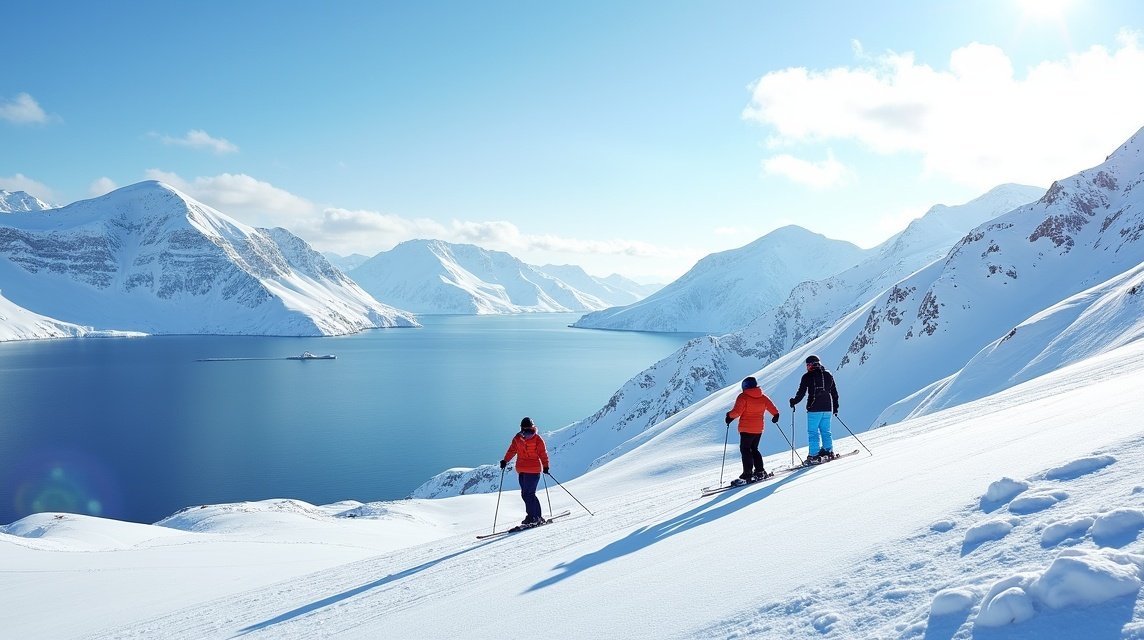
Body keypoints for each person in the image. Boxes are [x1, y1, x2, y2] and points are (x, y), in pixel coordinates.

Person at [725, 376, 780, 485]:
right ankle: (760, 471)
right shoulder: (763, 397)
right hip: (758, 429)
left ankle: (747, 474)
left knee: (745, 450)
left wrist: (729, 416)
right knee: (754, 449)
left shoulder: (743, 397)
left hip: (746, 429)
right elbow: (773, 409)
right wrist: (775, 415)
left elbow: (737, 412)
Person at [788, 354, 840, 464]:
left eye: (808, 365)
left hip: (814, 409)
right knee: (826, 431)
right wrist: (835, 408)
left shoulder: (807, 377)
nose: (807, 367)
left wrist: (794, 401)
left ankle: (814, 455)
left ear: (813, 364)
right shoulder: (828, 375)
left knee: (813, 432)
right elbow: (834, 393)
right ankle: (828, 451)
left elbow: (801, 393)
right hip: (827, 408)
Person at [500, 417, 550, 527]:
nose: (526, 431)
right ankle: (532, 516)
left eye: (528, 429)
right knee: (525, 494)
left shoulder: (536, 439)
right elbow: (512, 450)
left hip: (533, 471)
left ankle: (536, 517)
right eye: (525, 429)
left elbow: (542, 454)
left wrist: (546, 466)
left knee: (529, 494)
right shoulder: (518, 438)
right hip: (522, 470)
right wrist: (505, 460)